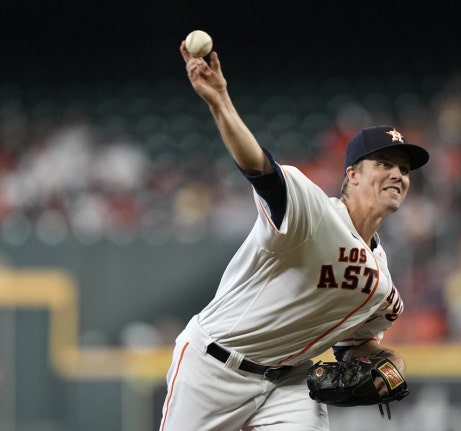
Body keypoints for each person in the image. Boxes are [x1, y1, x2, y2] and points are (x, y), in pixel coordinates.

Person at [158, 38, 430, 431]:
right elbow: (259, 168)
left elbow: (355, 346)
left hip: (289, 381)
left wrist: (392, 363)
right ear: (352, 174)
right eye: (385, 164)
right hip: (214, 366)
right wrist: (219, 101)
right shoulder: (313, 212)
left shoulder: (380, 283)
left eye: (404, 170)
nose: (398, 175)